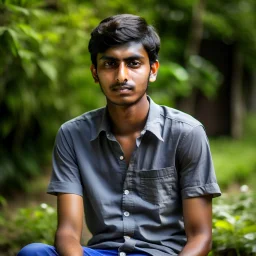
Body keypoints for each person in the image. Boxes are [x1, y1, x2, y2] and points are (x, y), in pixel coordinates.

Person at [17, 14, 221, 256]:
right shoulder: (72, 135)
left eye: (134, 63)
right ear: (95, 72)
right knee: (33, 253)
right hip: (102, 252)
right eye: (110, 64)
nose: (121, 76)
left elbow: (201, 237)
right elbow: (68, 232)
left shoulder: (186, 133)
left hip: (162, 254)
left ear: (152, 70)